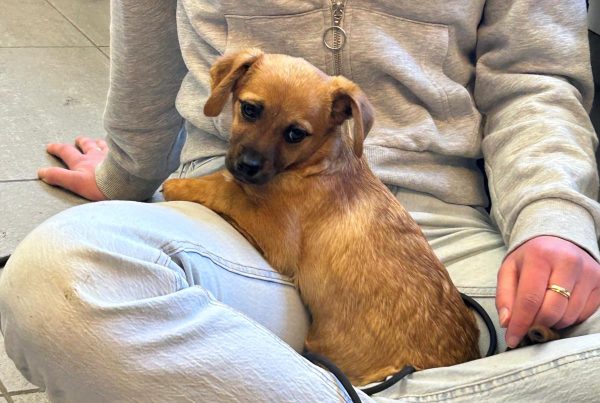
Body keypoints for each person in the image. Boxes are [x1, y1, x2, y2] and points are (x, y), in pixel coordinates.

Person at [1, 0, 599, 401]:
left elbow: (534, 76)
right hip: (233, 226)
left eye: (290, 134)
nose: (258, 144)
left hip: (457, 231)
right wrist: (127, 174)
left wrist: (554, 217)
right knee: (58, 277)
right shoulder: (247, 129)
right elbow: (146, 39)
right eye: (249, 112)